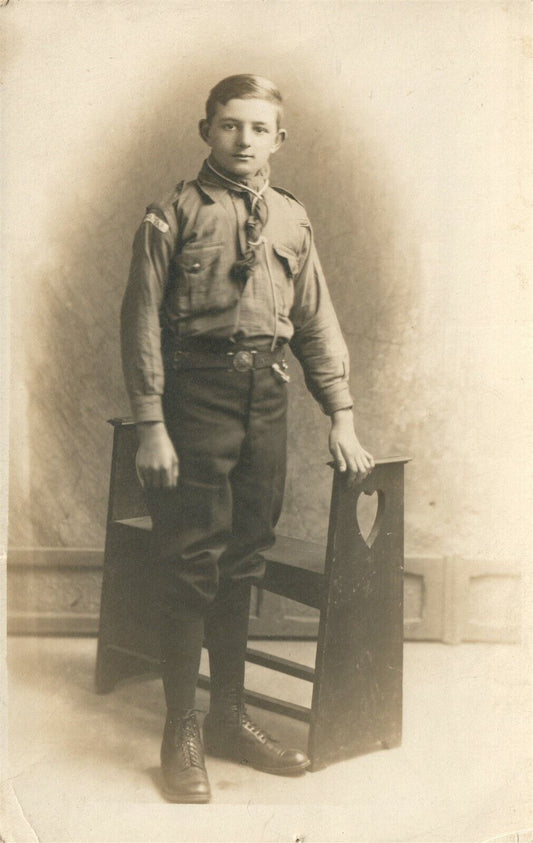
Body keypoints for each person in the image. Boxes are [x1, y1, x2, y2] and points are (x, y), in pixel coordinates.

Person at [120, 74, 374, 803]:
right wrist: (151, 425)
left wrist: (342, 413)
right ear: (206, 130)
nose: (243, 140)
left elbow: (316, 321)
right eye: (229, 125)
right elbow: (139, 322)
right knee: (192, 558)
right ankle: (182, 727)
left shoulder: (293, 221)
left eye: (258, 129)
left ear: (278, 139)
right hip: (192, 396)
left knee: (243, 559)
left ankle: (230, 717)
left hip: (266, 398)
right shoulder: (170, 213)